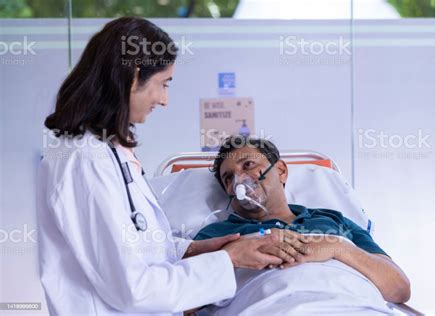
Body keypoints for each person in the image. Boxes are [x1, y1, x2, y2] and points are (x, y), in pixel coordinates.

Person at [36, 17, 297, 316]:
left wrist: (192, 249)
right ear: (134, 77)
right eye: (163, 84)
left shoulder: (110, 153)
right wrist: (229, 260)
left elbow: (133, 245)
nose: (164, 99)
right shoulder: (83, 161)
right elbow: (132, 289)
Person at [194, 135, 411, 304]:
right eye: (228, 178)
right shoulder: (217, 235)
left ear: (280, 170)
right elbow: (183, 299)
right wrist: (231, 256)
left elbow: (399, 289)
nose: (240, 180)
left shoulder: (335, 221)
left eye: (248, 165)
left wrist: (337, 247)